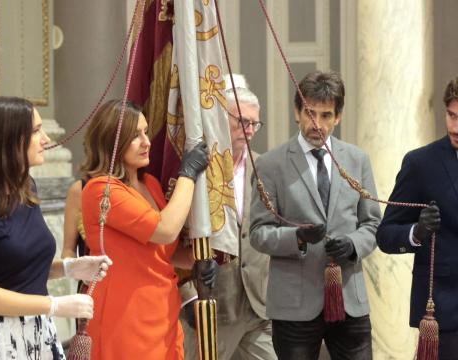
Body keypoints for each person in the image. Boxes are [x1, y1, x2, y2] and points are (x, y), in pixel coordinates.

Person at [0, 97, 111, 359]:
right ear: (8, 139)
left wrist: (68, 268)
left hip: (38, 334)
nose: (45, 139)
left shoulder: (26, 187)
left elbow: (15, 269)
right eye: (35, 131)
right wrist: (54, 304)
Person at [249, 71, 380, 359]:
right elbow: (258, 233)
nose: (316, 124)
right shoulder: (270, 165)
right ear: (297, 112)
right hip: (294, 305)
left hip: (349, 300)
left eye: (325, 115)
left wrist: (354, 244)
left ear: (338, 117)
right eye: (310, 113)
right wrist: (296, 238)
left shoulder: (357, 160)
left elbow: (372, 223)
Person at [80, 99, 211, 360]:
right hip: (126, 312)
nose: (146, 142)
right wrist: (187, 174)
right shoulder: (101, 190)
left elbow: (162, 250)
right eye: (135, 136)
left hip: (163, 307)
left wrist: (199, 260)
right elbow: (165, 230)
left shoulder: (149, 183)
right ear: (112, 141)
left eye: (145, 132)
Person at [180, 74, 276, 359]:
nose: (248, 130)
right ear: (222, 120)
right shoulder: (200, 171)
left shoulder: (264, 168)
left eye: (254, 123)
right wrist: (190, 298)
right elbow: (176, 239)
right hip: (214, 305)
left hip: (259, 306)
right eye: (241, 121)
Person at [376, 76, 458, 358]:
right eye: (451, 115)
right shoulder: (421, 163)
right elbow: (385, 235)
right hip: (446, 313)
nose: (455, 127)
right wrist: (418, 231)